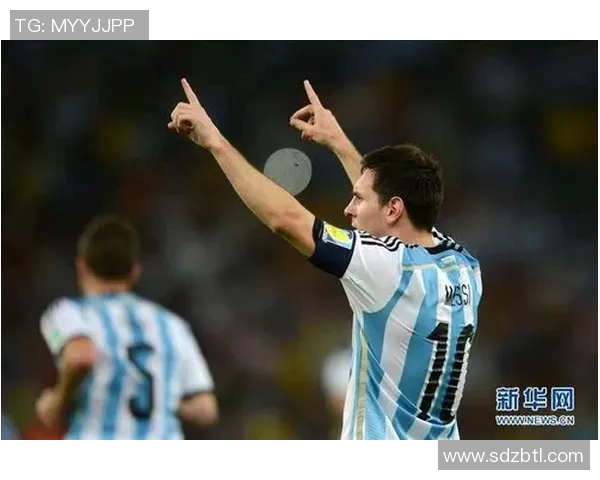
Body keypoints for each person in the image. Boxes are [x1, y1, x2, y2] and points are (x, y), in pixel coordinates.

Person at [168, 78, 482, 440]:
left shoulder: (389, 268)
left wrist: (215, 142)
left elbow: (286, 219)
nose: (348, 209)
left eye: (358, 199)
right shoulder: (465, 267)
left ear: (394, 208)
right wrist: (339, 144)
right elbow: (392, 211)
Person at [36, 214, 219, 439]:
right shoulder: (172, 325)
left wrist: (58, 401)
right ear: (135, 272)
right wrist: (162, 399)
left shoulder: (68, 313)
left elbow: (80, 357)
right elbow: (206, 409)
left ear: (82, 266)